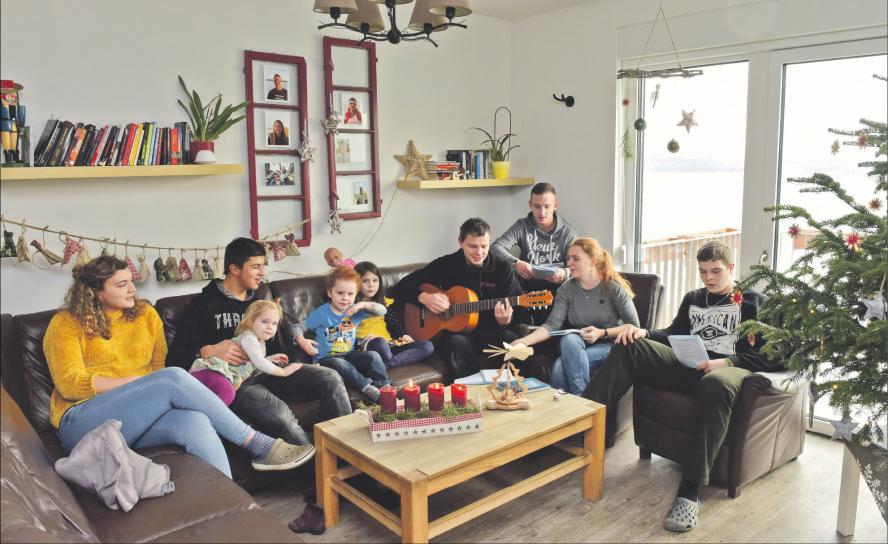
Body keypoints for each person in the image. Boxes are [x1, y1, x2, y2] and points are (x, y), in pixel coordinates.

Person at [43, 256, 314, 478]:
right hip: (81, 422)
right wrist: (143, 384)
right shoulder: (66, 323)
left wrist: (149, 385)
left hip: (136, 418)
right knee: (172, 377)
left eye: (132, 283)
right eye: (122, 285)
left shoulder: (146, 315)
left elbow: (159, 366)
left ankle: (231, 508)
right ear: (96, 293)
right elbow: (71, 384)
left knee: (194, 420)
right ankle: (258, 444)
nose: (133, 290)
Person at [582, 240, 782, 533]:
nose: (709, 278)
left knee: (714, 382)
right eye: (703, 272)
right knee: (629, 345)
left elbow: (774, 353)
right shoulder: (694, 298)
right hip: (688, 366)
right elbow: (673, 333)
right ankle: (581, 424)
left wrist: (727, 362)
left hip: (727, 373)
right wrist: (644, 332)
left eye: (716, 271)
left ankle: (690, 491)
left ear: (731, 268)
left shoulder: (752, 302)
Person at [167, 237, 351, 449]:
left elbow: (279, 343)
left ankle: (349, 455)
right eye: (256, 266)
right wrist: (207, 350)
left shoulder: (259, 302)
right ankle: (319, 472)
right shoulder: (202, 306)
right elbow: (173, 361)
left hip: (268, 369)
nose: (263, 272)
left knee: (330, 377)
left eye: (263, 266)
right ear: (234, 268)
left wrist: (285, 331)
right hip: (238, 382)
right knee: (281, 416)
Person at [392, 217, 523, 379]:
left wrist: (505, 322)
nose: (479, 252)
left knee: (516, 345)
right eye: (473, 246)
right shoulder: (446, 265)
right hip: (453, 335)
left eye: (484, 246)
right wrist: (424, 297)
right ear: (460, 242)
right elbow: (404, 285)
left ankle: (512, 393)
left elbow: (516, 309)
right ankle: (473, 395)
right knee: (456, 343)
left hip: (490, 331)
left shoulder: (503, 269)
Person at [513, 238, 639, 395]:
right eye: (568, 258)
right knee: (569, 338)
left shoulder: (613, 288)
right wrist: (523, 342)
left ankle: (577, 405)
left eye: (576, 258)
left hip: (609, 345)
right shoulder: (567, 288)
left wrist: (602, 332)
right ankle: (580, 408)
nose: (569, 263)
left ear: (593, 261)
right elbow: (552, 325)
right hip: (576, 344)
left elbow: (634, 327)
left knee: (559, 367)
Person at [293, 266, 392, 403]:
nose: (345, 298)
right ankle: (368, 388)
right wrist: (301, 340)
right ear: (330, 292)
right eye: (340, 293)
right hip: (326, 360)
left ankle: (385, 388)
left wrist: (363, 304)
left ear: (355, 294)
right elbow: (297, 327)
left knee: (373, 356)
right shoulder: (322, 313)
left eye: (350, 294)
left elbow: (382, 311)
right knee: (340, 363)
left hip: (349, 355)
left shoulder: (355, 311)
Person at [491, 182, 578, 324]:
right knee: (506, 272)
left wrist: (564, 273)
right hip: (526, 286)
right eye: (537, 206)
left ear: (556, 205)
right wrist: (516, 263)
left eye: (547, 207)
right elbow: (495, 247)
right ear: (530, 204)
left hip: (556, 288)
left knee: (570, 286)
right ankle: (517, 325)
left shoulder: (568, 233)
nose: (542, 212)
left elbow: (579, 265)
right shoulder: (522, 226)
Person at [189, 300, 301, 405]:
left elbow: (253, 362)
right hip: (211, 372)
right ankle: (209, 416)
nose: (270, 327)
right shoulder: (249, 337)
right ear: (251, 322)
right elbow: (258, 362)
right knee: (228, 394)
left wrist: (270, 359)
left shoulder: (260, 342)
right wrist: (283, 372)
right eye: (265, 321)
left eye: (274, 323)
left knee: (221, 394)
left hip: (219, 376)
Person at [354, 261, 434, 368]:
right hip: (367, 346)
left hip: (390, 345)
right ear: (356, 283)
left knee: (427, 346)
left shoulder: (384, 303)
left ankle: (388, 365)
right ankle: (385, 362)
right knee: (380, 342)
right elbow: (346, 330)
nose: (371, 285)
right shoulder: (353, 306)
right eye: (365, 281)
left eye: (375, 280)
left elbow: (394, 322)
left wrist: (403, 335)